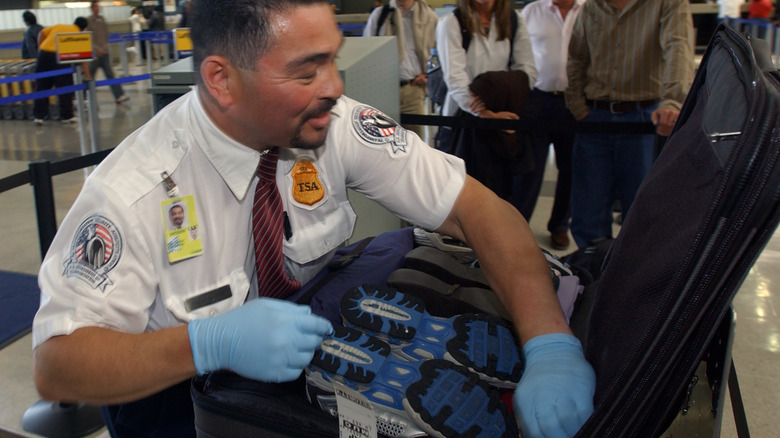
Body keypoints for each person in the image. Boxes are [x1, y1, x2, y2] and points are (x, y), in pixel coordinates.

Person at [30, 1, 594, 438]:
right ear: (222, 80)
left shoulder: (334, 123)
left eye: (331, 58)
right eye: (306, 72)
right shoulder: (135, 191)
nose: (334, 87)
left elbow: (478, 210)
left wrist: (550, 342)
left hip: (312, 375)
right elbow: (59, 364)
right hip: (174, 402)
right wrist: (209, 344)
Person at [565, 0, 695, 249]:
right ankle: (591, 269)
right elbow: (577, 57)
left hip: (643, 118)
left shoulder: (667, 3)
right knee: (587, 208)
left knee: (642, 209)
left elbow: (678, 48)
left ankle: (632, 278)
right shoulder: (592, 6)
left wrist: (672, 101)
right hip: (595, 117)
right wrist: (576, 105)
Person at [436, 0, 537, 200]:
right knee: (462, 194)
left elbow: (527, 71)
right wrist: (484, 112)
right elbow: (455, 78)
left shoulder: (514, 20)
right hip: (464, 119)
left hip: (503, 119)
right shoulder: (452, 22)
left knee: (500, 193)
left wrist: (503, 112)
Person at [512, 0, 583, 251]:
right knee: (530, 167)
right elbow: (519, 55)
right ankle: (517, 226)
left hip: (575, 102)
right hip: (538, 100)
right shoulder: (532, 11)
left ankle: (560, 226)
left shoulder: (589, 10)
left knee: (570, 168)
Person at [363, 0, 438, 140]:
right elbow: (365, 50)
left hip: (412, 89)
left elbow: (438, 53)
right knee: (381, 141)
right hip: (382, 91)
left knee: (414, 142)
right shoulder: (380, 15)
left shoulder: (429, 17)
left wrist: (428, 75)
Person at [32, 17, 88, 125]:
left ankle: (39, 116)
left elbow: (41, 33)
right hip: (60, 58)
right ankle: (67, 116)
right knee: (64, 86)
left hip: (43, 54)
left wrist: (40, 48)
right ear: (83, 28)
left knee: (42, 85)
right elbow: (83, 59)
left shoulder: (59, 26)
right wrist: (88, 75)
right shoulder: (78, 35)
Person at [87, 1, 130, 104]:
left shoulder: (102, 20)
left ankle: (119, 95)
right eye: (96, 7)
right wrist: (97, 49)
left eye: (98, 7)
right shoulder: (88, 21)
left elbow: (106, 34)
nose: (98, 9)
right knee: (90, 76)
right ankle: (86, 97)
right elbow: (89, 38)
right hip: (95, 54)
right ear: (92, 8)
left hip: (104, 52)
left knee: (110, 74)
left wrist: (105, 47)